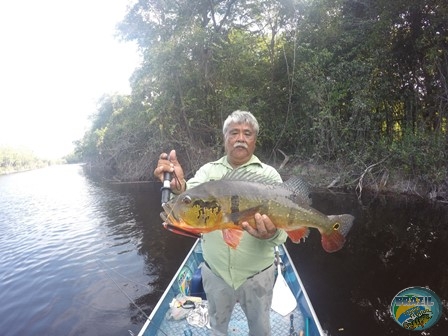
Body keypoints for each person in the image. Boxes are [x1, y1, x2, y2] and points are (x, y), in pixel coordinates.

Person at [154, 110, 287, 336]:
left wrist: (271, 234)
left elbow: (283, 233)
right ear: (225, 137)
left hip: (257, 276)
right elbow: (188, 191)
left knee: (261, 330)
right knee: (217, 329)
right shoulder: (208, 171)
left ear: (254, 139)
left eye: (247, 133)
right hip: (215, 275)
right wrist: (178, 185)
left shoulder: (270, 176)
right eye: (234, 132)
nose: (240, 138)